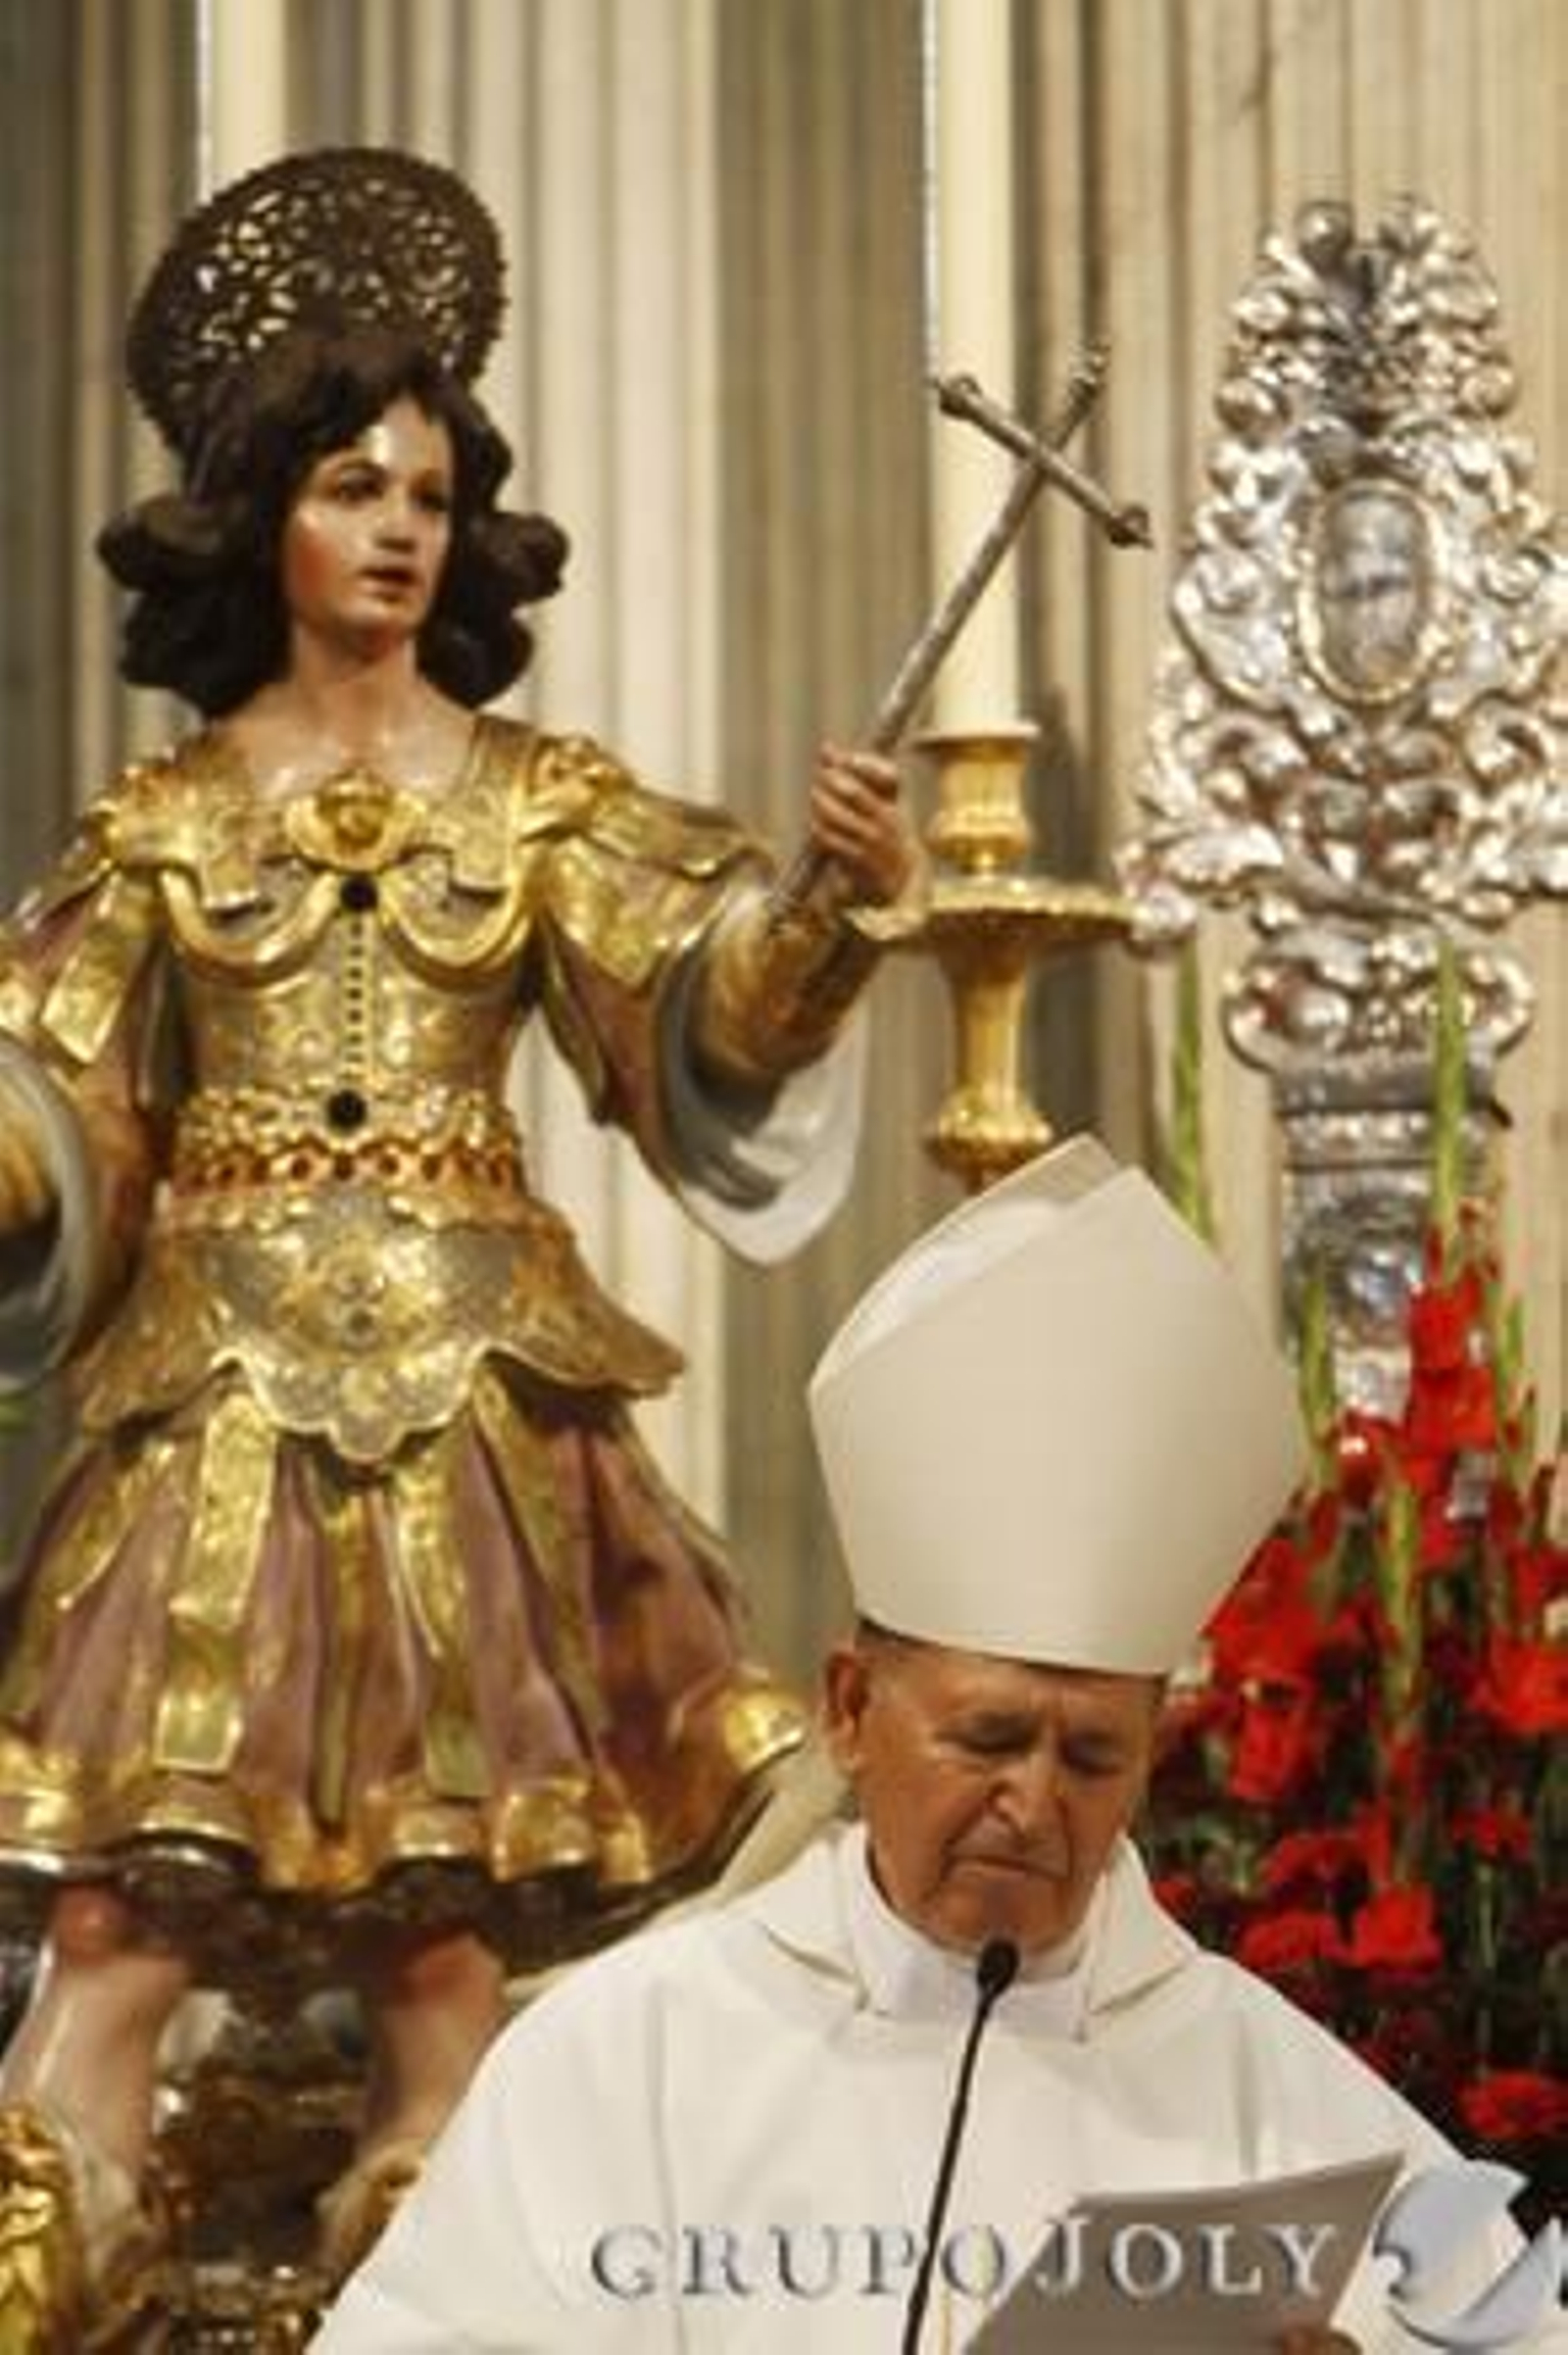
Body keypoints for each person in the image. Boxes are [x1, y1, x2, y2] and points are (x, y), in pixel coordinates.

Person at [0, 147, 914, 2337]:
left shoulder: (533, 800)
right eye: (348, 481)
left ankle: (439, 2288)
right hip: (210, 1420)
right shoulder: (164, 822)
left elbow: (689, 1013)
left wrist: (819, 909)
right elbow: (62, 1120)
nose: (398, 523)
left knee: (445, 1937)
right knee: (116, 1932)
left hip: (468, 1425)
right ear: (262, 518)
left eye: (425, 486)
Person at [316, 1138, 1554, 2353]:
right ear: (850, 1710)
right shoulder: (633, 2052)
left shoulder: (1262, 2087)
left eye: (1089, 1760)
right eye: (989, 1737)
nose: (1033, 1802)